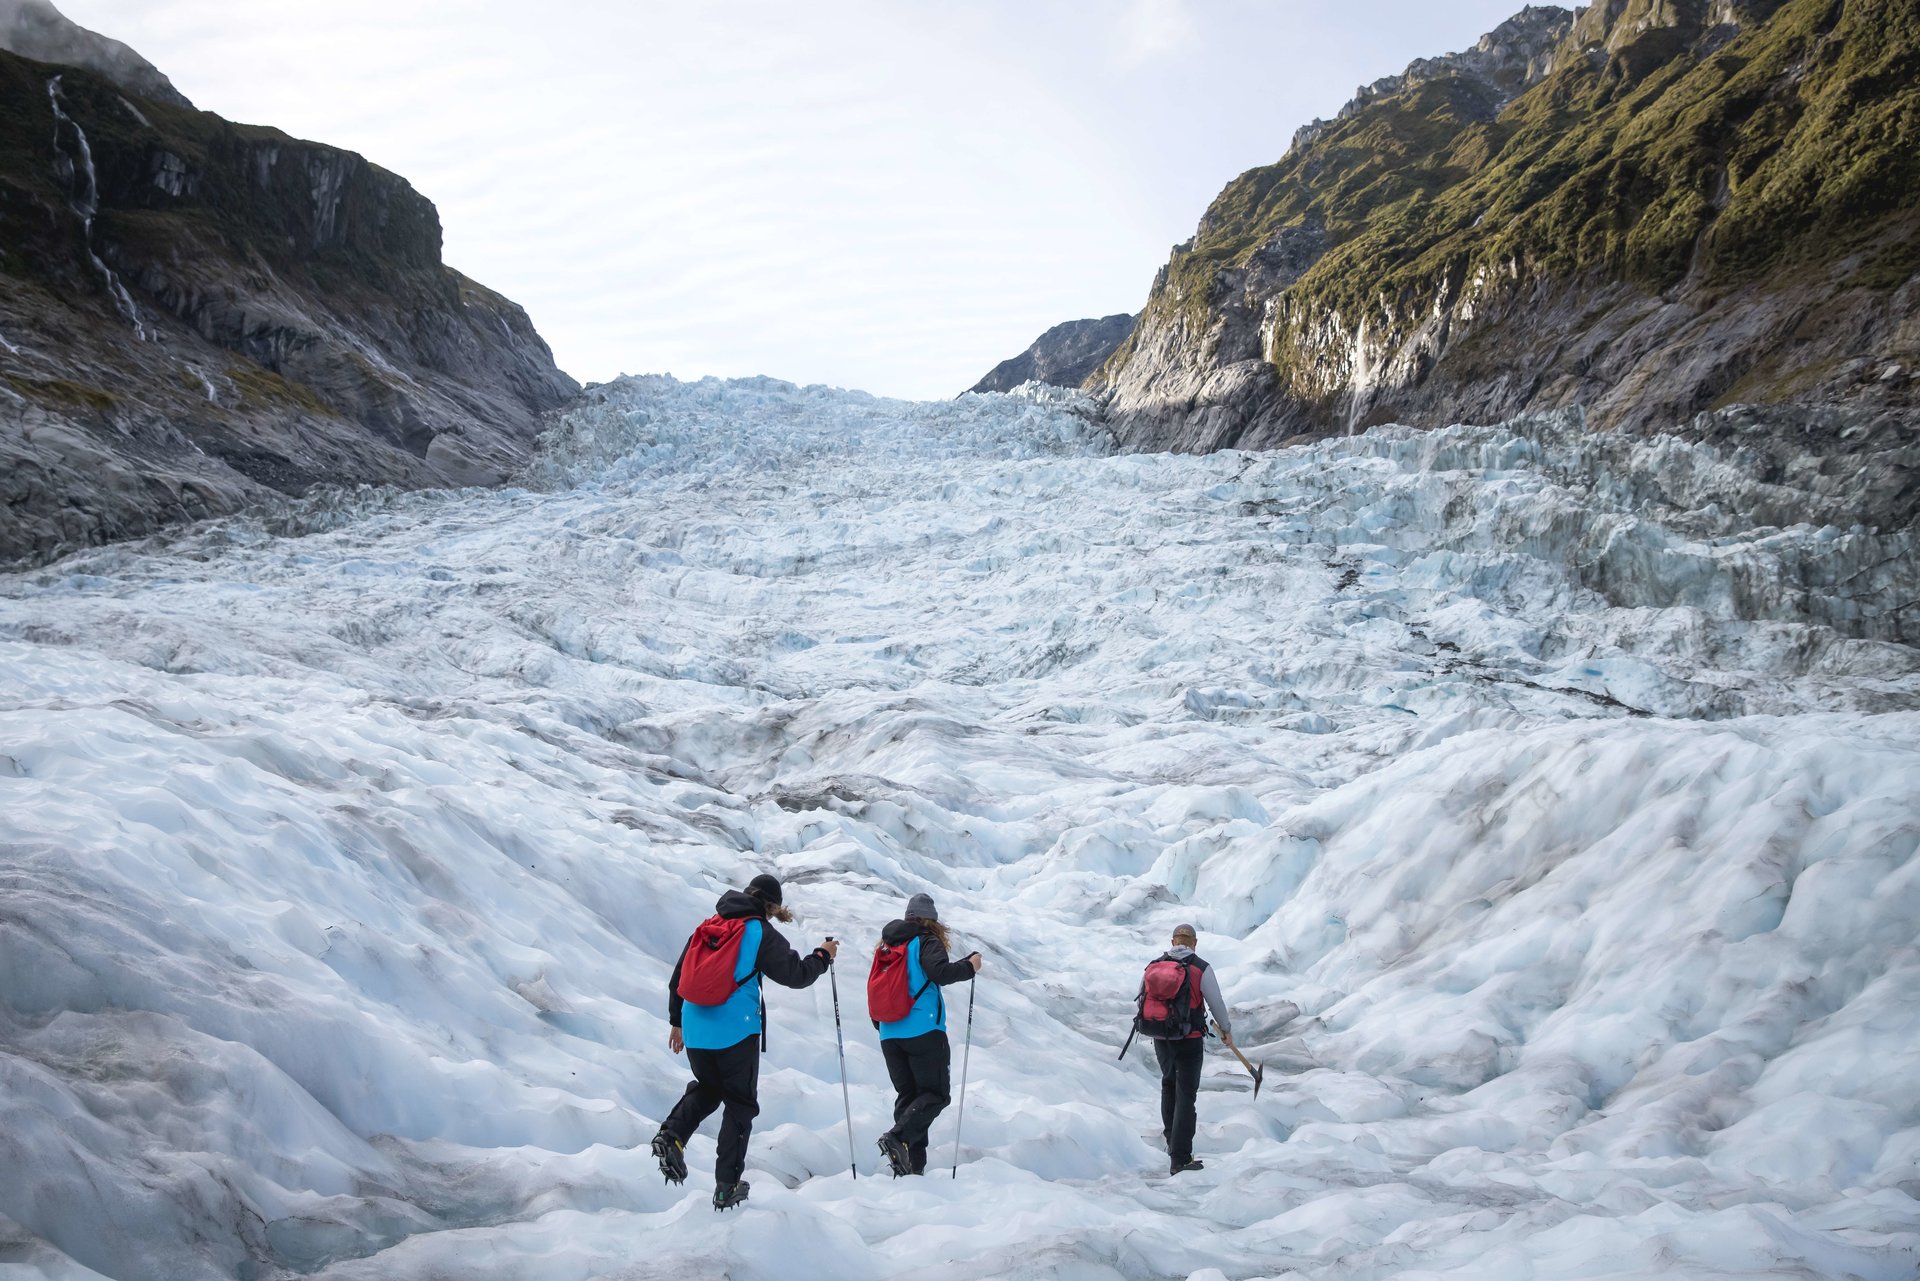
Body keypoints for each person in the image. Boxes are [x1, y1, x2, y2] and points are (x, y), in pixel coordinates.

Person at [653, 873, 838, 1210]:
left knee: (709, 1087)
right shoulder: (758, 931)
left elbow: (679, 975)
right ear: (771, 906)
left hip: (695, 1027)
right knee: (740, 1104)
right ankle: (727, 1186)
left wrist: (677, 1022)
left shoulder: (709, 924)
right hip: (735, 1030)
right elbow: (796, 974)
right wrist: (822, 956)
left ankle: (672, 1135)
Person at [872, 892, 980, 1177]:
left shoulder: (886, 945)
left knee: (909, 1097)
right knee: (935, 1094)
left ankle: (911, 1168)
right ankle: (898, 1138)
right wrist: (970, 966)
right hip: (922, 1030)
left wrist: (885, 1025)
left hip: (888, 1032)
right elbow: (940, 973)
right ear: (931, 920)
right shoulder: (925, 941)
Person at [1151, 923, 1233, 1175]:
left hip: (1161, 1035)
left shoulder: (1156, 965)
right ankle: (1180, 1158)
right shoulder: (1201, 967)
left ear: (1173, 941)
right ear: (1194, 943)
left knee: (1168, 1084)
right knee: (1186, 1095)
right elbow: (1215, 1001)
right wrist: (1226, 1029)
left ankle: (1171, 1141)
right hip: (1190, 1038)